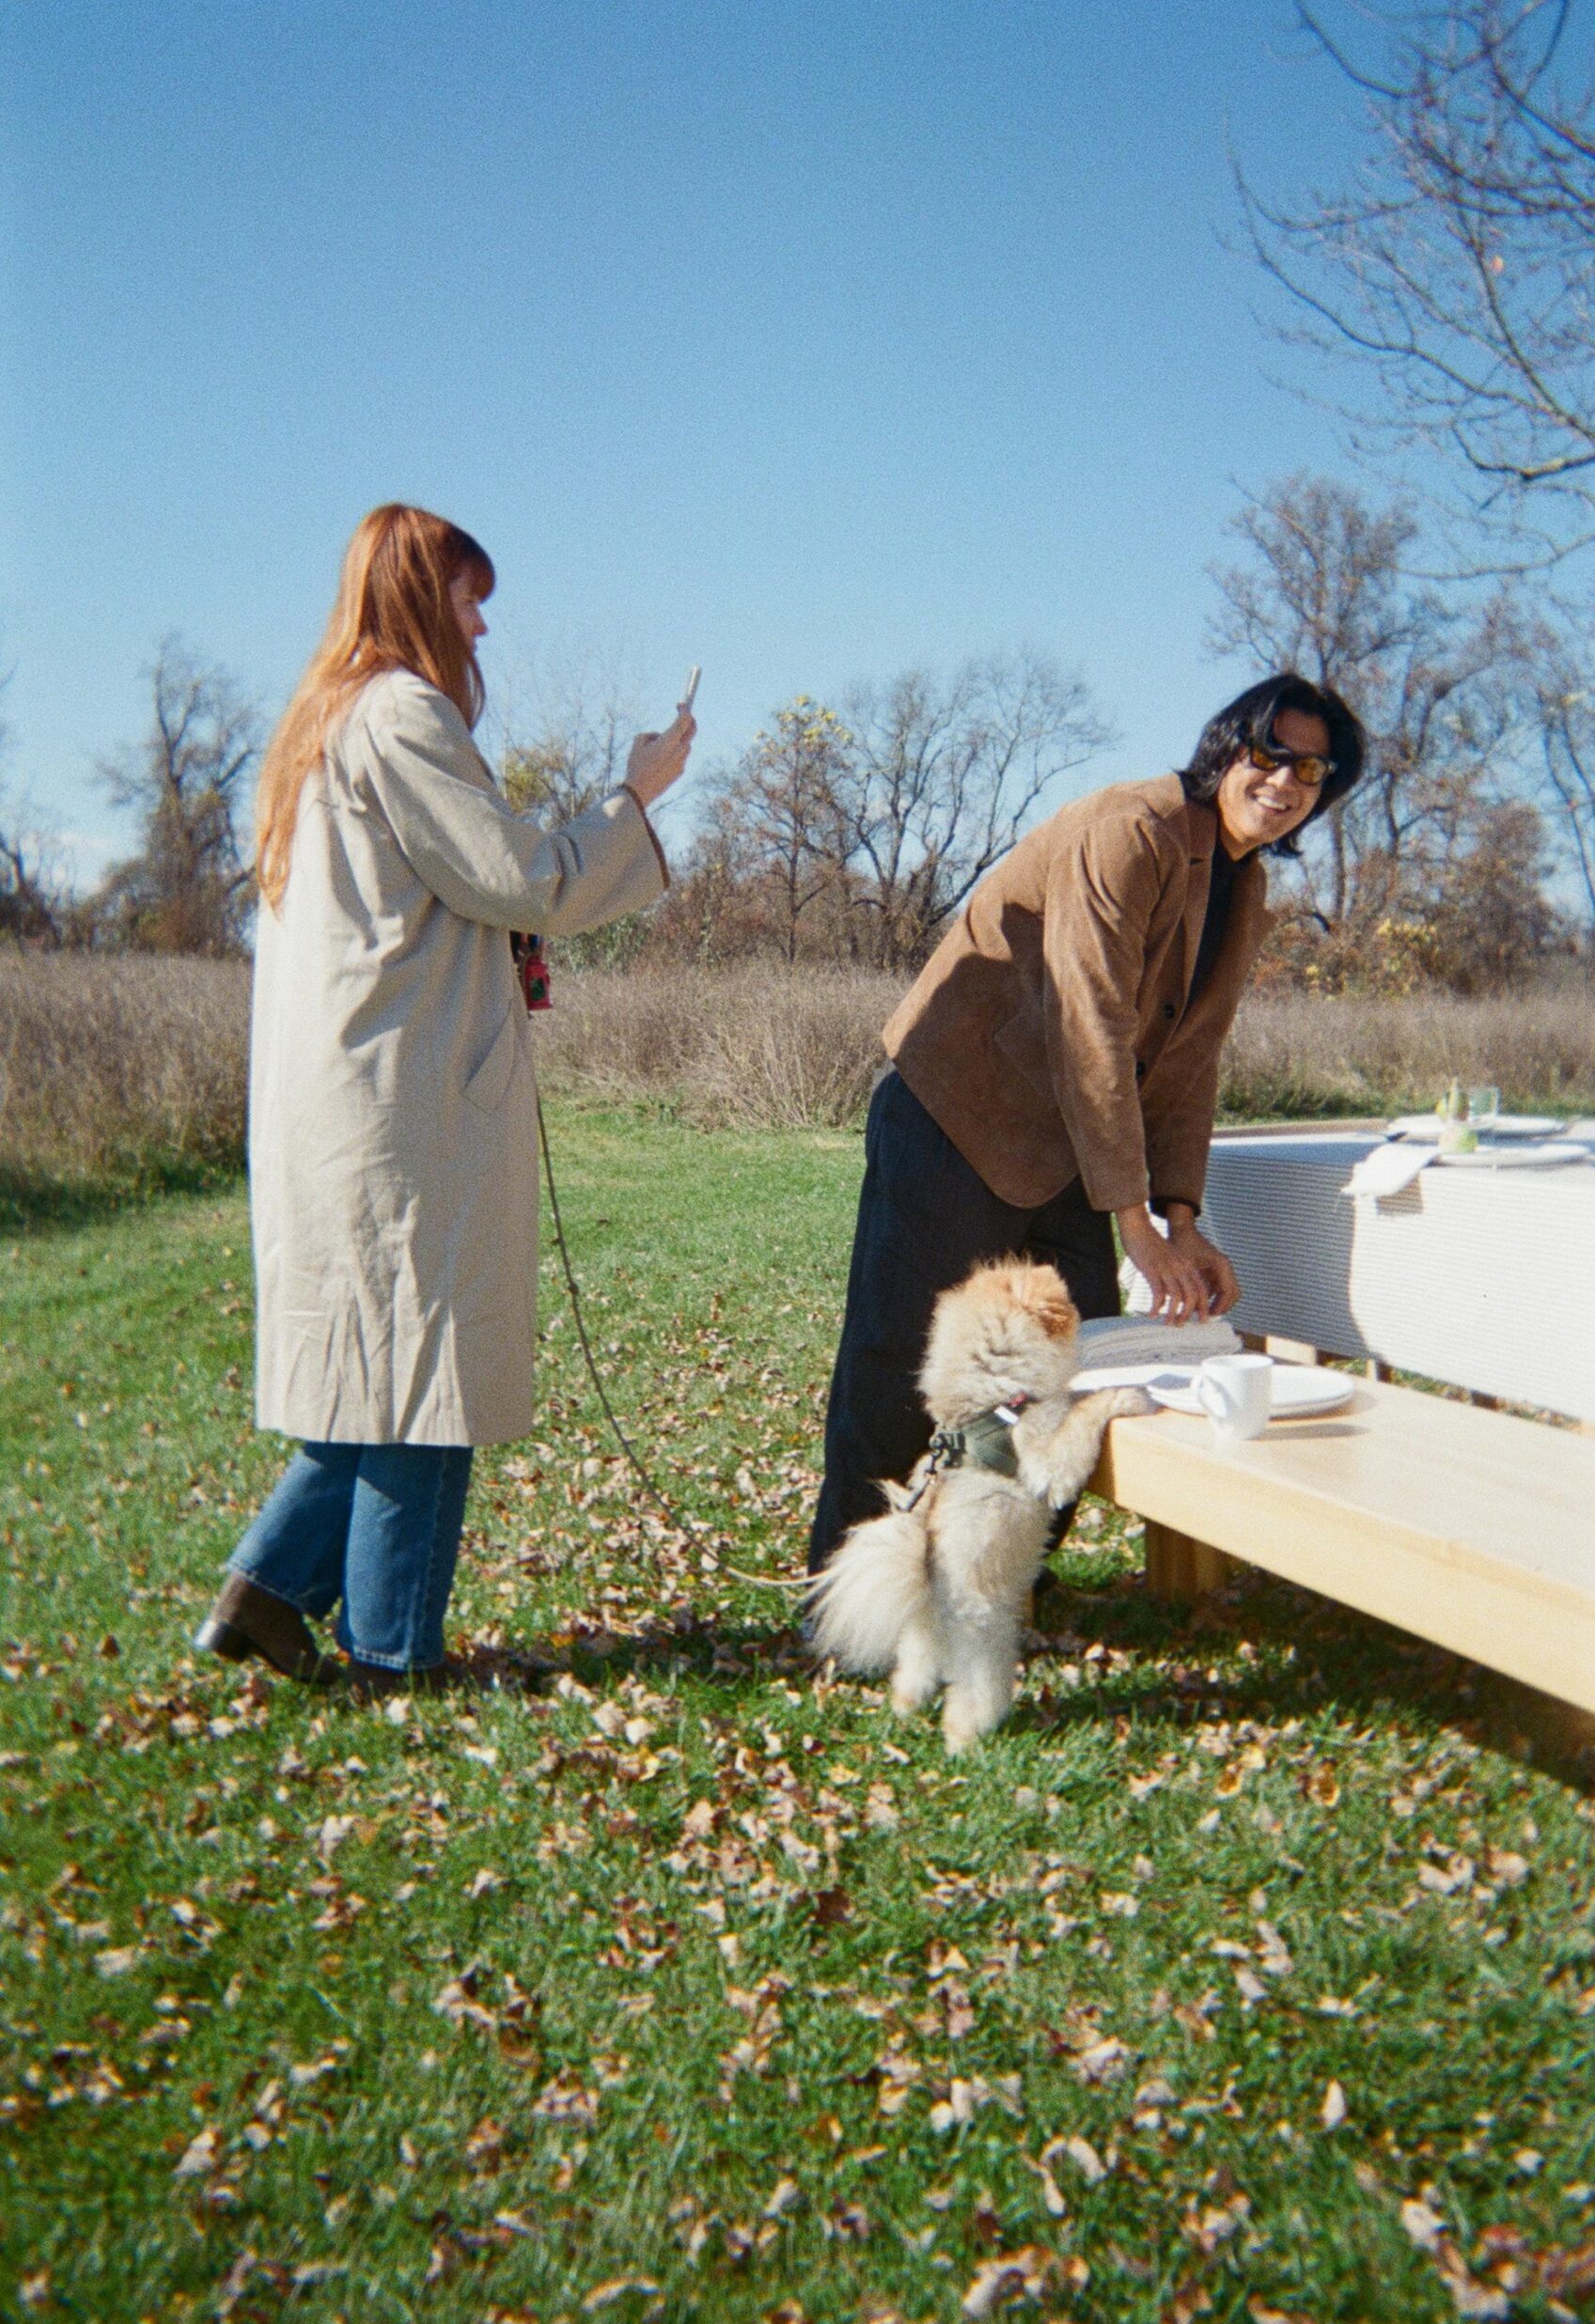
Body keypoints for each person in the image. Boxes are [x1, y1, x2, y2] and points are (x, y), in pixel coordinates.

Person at [196, 504, 693, 1692]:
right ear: (419, 595)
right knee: (424, 1373)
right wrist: (635, 797)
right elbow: (519, 876)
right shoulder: (400, 713)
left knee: (384, 1363)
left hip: (361, 1093)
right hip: (400, 1104)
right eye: (468, 597)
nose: (480, 622)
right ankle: (389, 1654)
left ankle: (265, 1595)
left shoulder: (325, 721)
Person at [807, 671, 1366, 1574]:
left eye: (1313, 769)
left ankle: (985, 1585)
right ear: (1228, 749)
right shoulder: (1129, 830)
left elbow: (1189, 1059)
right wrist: (1136, 1229)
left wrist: (1182, 1221)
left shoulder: (1245, 884)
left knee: (1073, 1378)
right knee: (902, 1370)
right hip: (957, 1112)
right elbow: (1089, 1022)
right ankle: (846, 1606)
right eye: (1271, 754)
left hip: (1070, 1144)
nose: (1287, 781)